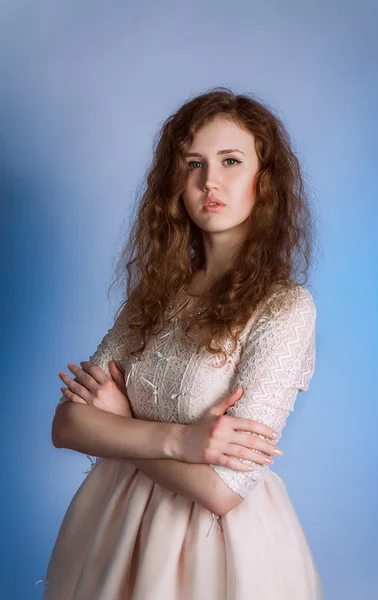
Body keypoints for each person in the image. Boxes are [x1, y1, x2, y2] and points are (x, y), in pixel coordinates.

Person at [42, 87, 323, 599]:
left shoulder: (284, 307)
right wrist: (179, 441)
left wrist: (119, 427)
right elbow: (66, 424)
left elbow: (223, 488)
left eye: (230, 161)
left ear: (267, 179)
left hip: (219, 551)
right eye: (193, 164)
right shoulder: (155, 297)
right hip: (116, 530)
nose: (208, 181)